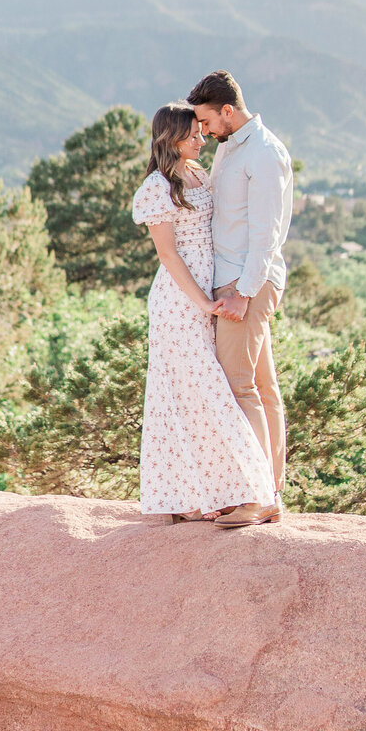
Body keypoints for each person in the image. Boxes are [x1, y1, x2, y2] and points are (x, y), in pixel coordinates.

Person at [132, 102, 278, 525]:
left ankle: (213, 492)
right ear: (170, 138)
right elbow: (167, 254)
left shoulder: (198, 174)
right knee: (192, 395)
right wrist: (201, 303)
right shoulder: (157, 188)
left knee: (203, 396)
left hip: (210, 291)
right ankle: (217, 493)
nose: (201, 139)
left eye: (201, 131)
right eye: (192, 134)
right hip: (179, 302)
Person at [187, 69, 292, 528]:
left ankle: (258, 494)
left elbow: (266, 233)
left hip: (245, 283)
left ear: (227, 111)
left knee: (238, 387)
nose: (203, 131)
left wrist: (244, 294)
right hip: (234, 280)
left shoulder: (264, 153)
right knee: (264, 387)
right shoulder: (232, 148)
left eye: (207, 122)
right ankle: (269, 488)